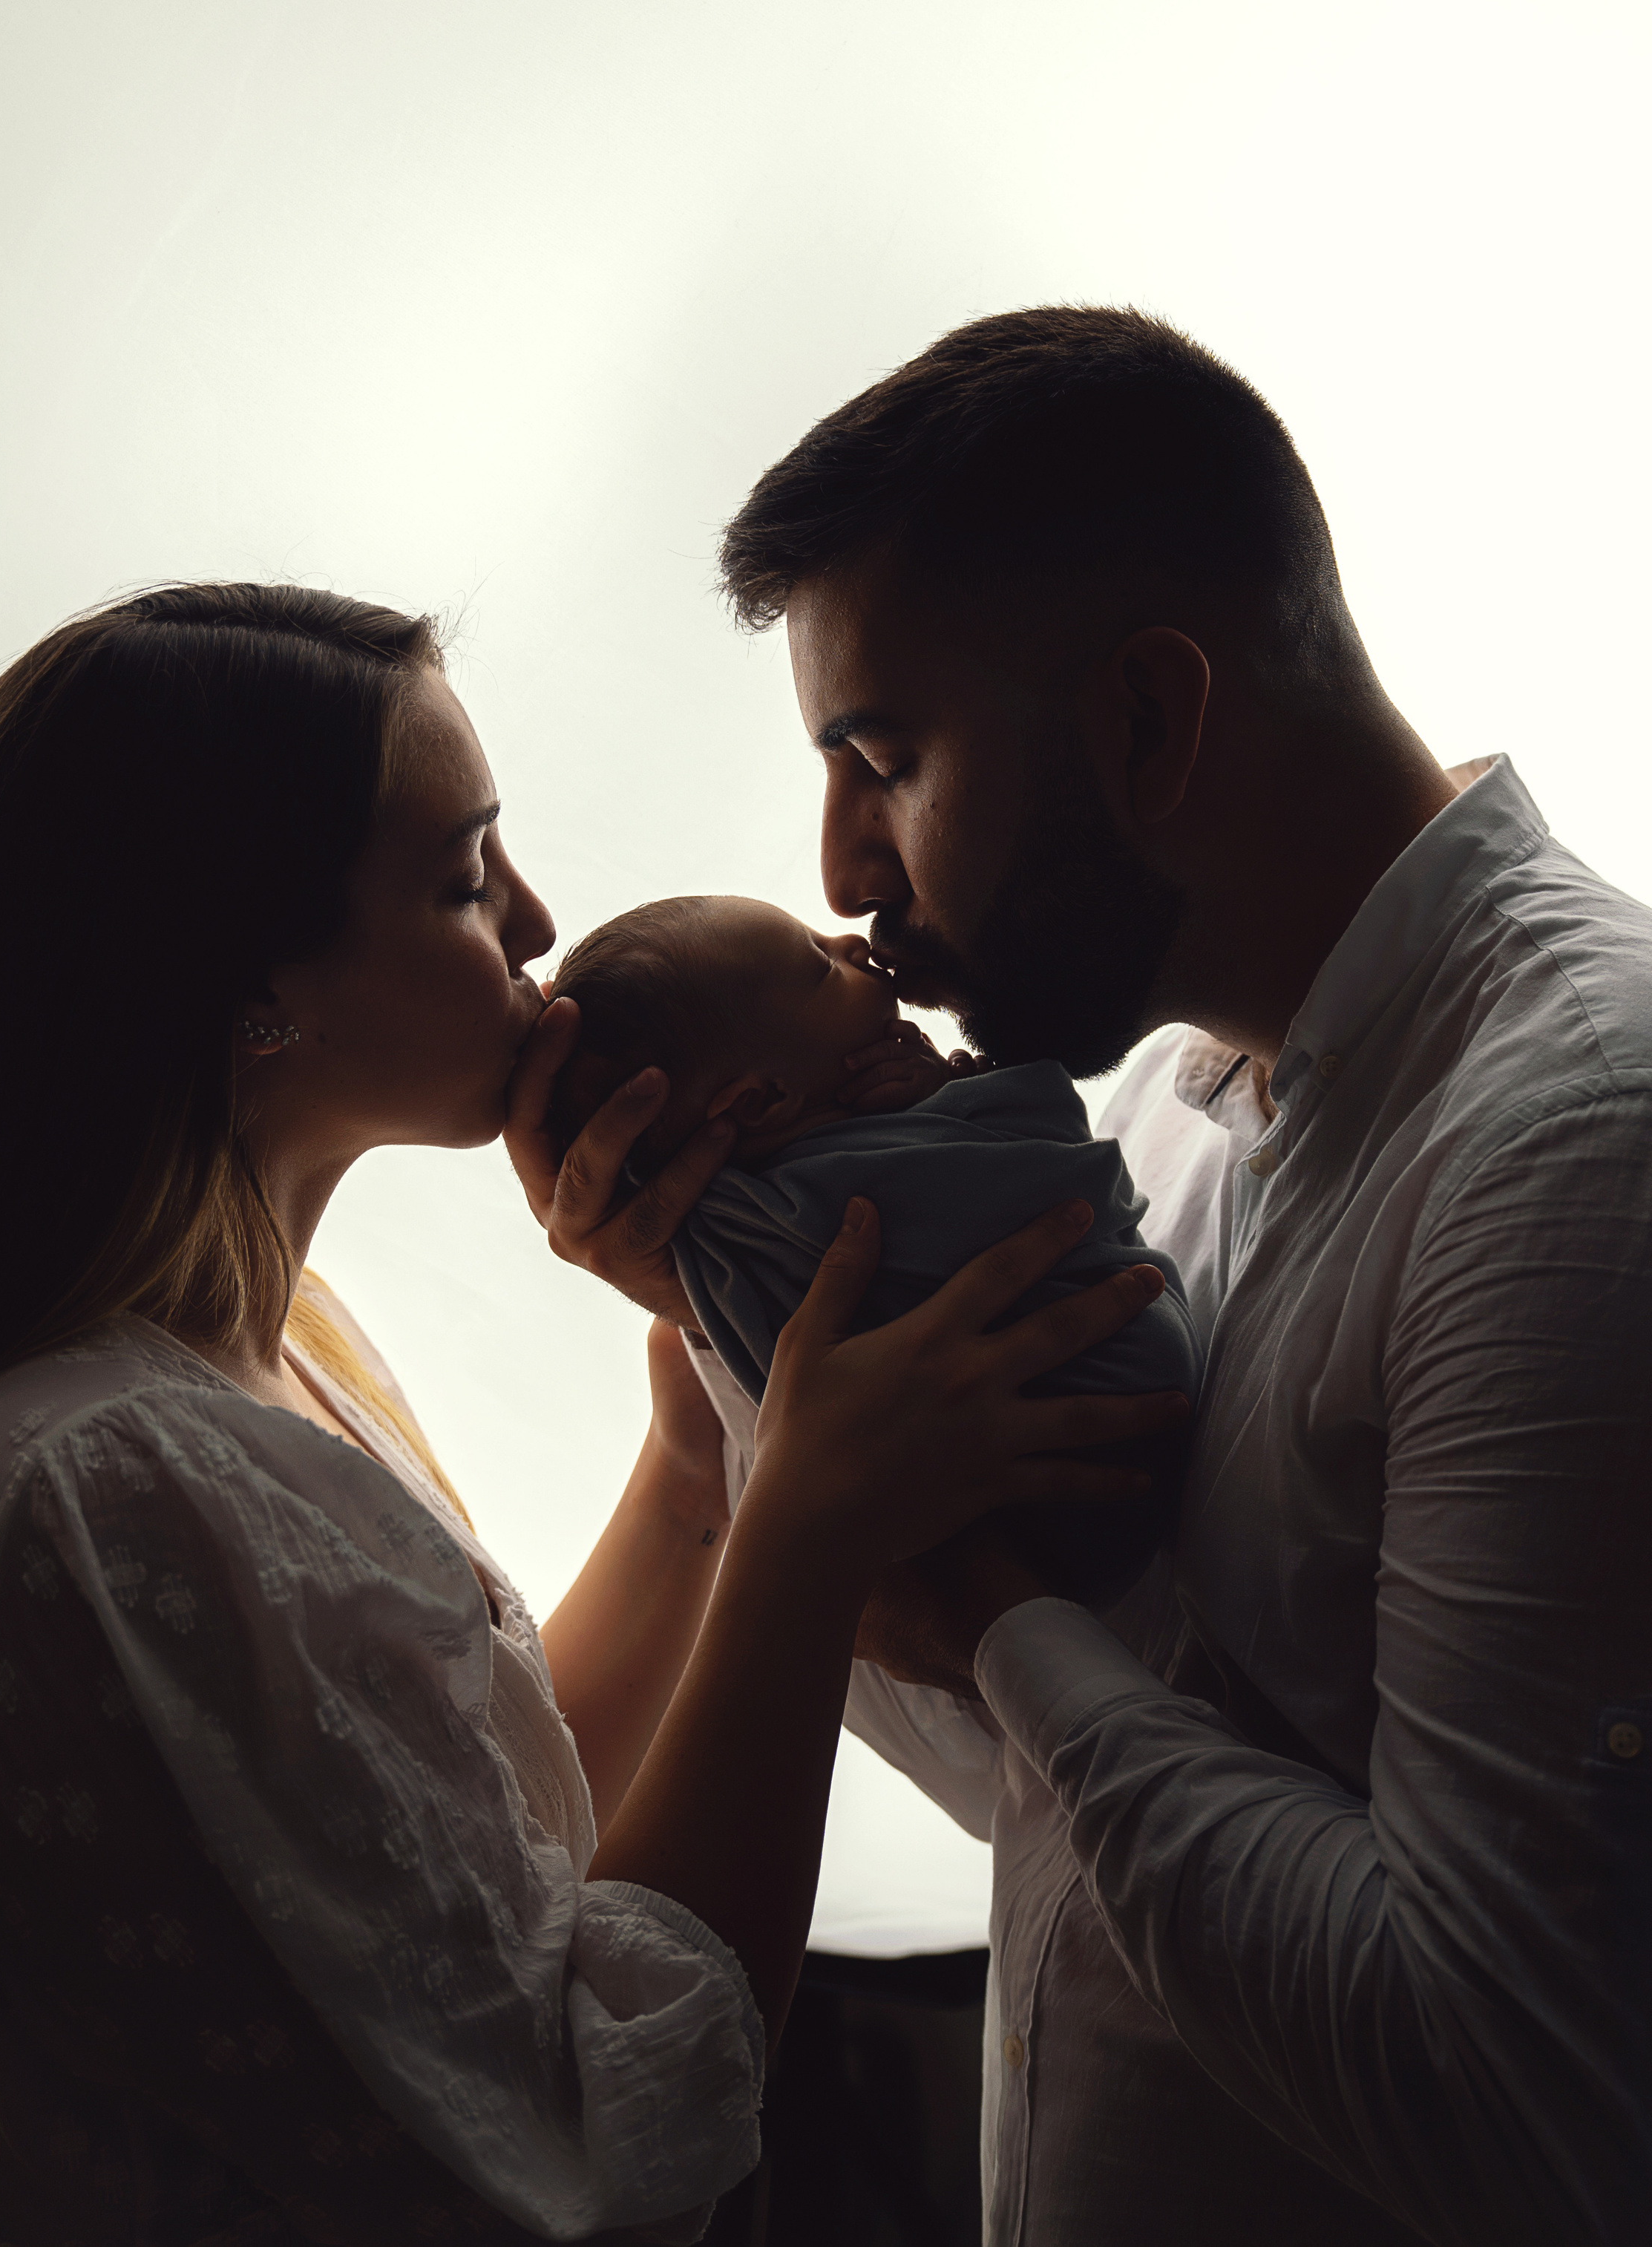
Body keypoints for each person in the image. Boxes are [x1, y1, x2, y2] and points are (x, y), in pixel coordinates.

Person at [0, 582, 1189, 2246]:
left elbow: (457, 1857)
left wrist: (687, 1468)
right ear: (248, 990)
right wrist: (805, 1538)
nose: (530, 921)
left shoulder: (276, 1344)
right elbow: (571, 2141)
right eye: (458, 875)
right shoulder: (107, 1484)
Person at [507, 310, 1652, 2245]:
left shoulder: (1574, 1153)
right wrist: (730, 1359)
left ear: (1146, 714)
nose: (842, 867)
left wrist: (996, 1608)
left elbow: (1511, 2091)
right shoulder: (1142, 1124)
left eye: (884, 755)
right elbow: (1070, 1781)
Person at [546, 893, 1200, 1605]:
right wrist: (969, 1089)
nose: (852, 945)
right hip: (1126, 1399)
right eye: (819, 967)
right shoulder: (858, 1186)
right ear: (761, 1102)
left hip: (1036, 1545)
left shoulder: (718, 1233)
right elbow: (1075, 1180)